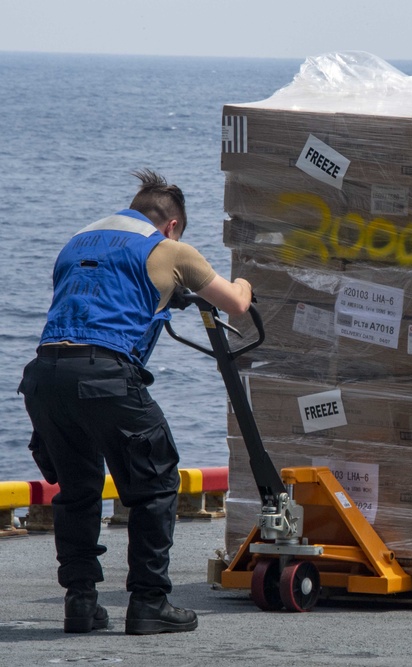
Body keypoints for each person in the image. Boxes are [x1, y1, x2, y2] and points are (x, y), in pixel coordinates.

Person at [19, 169, 253, 634]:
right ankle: (149, 602)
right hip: (105, 375)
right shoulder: (171, 250)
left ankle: (80, 602)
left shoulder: (77, 242)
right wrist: (246, 279)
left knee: (79, 490)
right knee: (156, 482)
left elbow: (100, 296)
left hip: (44, 377)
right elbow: (235, 305)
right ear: (171, 225)